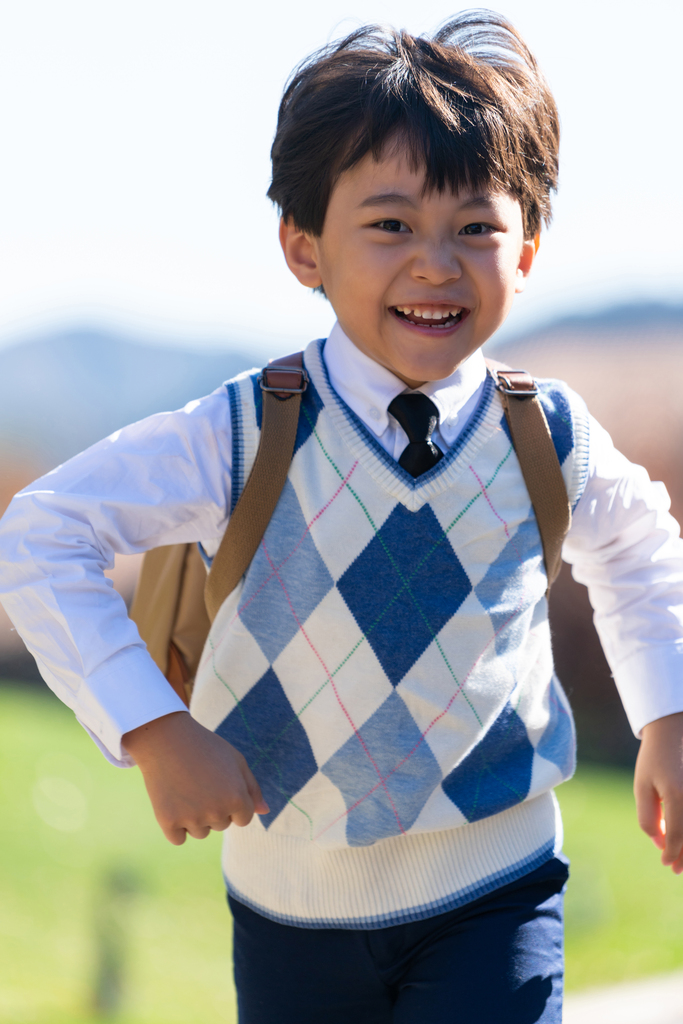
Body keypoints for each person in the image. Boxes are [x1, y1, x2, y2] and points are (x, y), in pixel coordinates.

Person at [1, 11, 683, 1023]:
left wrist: (665, 714)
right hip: (286, 910)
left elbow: (636, 551)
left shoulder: (546, 435)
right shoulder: (239, 433)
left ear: (527, 250)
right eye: (391, 224)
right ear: (302, 247)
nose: (435, 262)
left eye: (476, 228)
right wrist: (152, 730)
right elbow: (40, 535)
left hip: (495, 886)